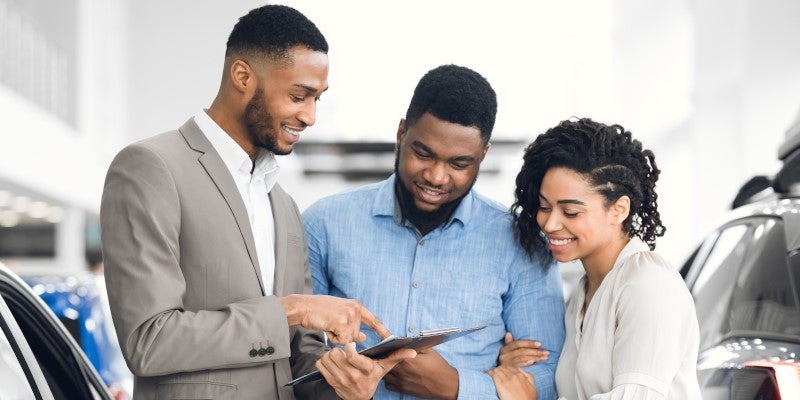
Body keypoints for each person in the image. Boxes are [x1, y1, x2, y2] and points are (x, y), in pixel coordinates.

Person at [100, 5, 412, 400]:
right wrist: (292, 309)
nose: (310, 116)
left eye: (317, 98)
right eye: (299, 96)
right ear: (243, 76)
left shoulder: (283, 204)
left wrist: (347, 383)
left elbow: (300, 359)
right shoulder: (151, 168)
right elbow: (149, 341)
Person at [302, 64, 566, 400]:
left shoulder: (522, 242)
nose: (437, 177)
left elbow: (549, 376)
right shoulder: (324, 224)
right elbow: (293, 354)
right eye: (423, 154)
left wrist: (456, 387)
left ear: (482, 155)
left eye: (459, 163)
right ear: (401, 134)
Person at [490, 118, 701, 399]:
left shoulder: (648, 284)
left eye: (571, 212)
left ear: (618, 210)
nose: (550, 224)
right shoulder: (583, 292)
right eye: (544, 206)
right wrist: (514, 369)